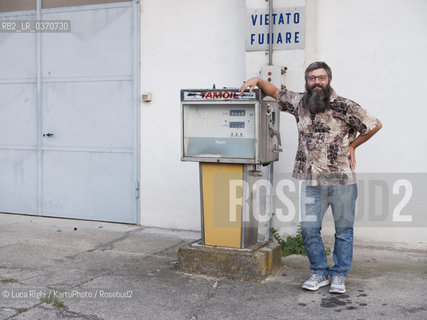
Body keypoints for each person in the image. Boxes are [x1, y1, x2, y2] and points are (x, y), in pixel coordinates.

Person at [240, 61, 382, 294]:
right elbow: (275, 92)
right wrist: (256, 81)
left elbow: (374, 125)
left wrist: (353, 146)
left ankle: (338, 275)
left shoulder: (345, 106)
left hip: (341, 181)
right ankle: (319, 271)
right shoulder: (300, 103)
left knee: (343, 231)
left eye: (321, 77)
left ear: (329, 80)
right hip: (312, 181)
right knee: (308, 229)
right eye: (312, 78)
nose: (317, 82)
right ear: (307, 81)